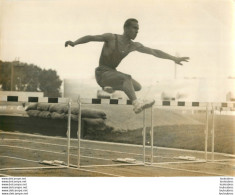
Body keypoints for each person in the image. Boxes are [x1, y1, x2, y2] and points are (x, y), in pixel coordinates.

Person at [65, 18, 189, 113]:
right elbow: (91, 37)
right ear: (126, 28)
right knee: (126, 78)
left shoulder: (133, 45)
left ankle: (110, 87)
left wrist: (174, 58)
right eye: (134, 28)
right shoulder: (111, 38)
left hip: (112, 73)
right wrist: (75, 43)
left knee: (137, 87)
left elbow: (154, 52)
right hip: (102, 73)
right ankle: (136, 104)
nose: (137, 31)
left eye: (138, 29)